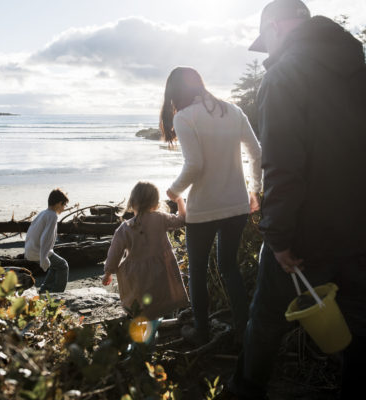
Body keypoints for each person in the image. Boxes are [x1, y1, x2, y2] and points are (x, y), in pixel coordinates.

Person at [228, 1, 366, 399]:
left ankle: (245, 391)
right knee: (360, 323)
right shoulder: (359, 70)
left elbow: (284, 166)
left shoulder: (285, 74)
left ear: (273, 27)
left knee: (267, 319)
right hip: (359, 229)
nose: (267, 53)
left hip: (306, 235)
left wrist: (278, 237)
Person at [160, 67, 262, 346]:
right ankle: (245, 331)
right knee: (229, 267)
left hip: (204, 209)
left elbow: (195, 165)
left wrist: (173, 191)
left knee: (198, 271)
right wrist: (255, 191)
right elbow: (257, 152)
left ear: (174, 93)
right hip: (237, 205)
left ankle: (202, 332)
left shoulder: (184, 117)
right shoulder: (233, 110)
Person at [102, 181, 189, 324]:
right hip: (161, 270)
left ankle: (145, 328)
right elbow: (182, 220)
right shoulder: (161, 218)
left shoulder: (126, 227)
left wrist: (108, 272)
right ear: (155, 203)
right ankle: (164, 324)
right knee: (163, 300)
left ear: (132, 202)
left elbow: (115, 252)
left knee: (141, 305)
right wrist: (179, 200)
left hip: (138, 275)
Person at [25, 189, 70, 294]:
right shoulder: (52, 216)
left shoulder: (44, 213)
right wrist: (44, 257)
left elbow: (30, 231)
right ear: (59, 203)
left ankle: (44, 290)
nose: (64, 208)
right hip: (38, 251)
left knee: (55, 266)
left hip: (31, 249)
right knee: (63, 266)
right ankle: (57, 294)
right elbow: (45, 237)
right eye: (64, 205)